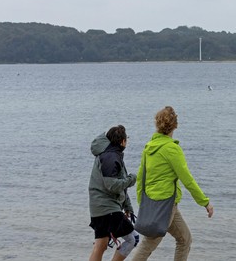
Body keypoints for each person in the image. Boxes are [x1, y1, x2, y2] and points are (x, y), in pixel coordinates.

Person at [131, 106, 214, 261]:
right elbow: (187, 179)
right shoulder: (172, 149)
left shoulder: (149, 147)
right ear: (174, 126)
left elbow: (141, 178)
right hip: (165, 205)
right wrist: (205, 202)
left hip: (161, 203)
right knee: (148, 244)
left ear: (157, 124)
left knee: (185, 239)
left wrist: (142, 201)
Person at [88, 125, 138, 261]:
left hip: (99, 208)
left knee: (101, 245)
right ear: (122, 141)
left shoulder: (107, 154)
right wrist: (132, 179)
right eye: (126, 139)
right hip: (108, 209)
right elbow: (113, 185)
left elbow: (118, 184)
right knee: (133, 238)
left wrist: (128, 207)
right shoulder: (111, 157)